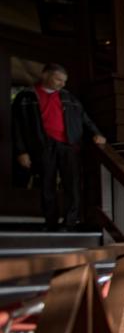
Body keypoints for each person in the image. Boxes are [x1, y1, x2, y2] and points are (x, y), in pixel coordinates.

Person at [12, 63, 106, 230]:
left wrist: (97, 133)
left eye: (64, 81)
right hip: (43, 145)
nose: (62, 84)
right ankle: (50, 223)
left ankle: (70, 222)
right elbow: (17, 127)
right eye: (58, 79)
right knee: (47, 185)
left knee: (72, 184)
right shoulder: (26, 97)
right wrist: (21, 151)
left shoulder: (69, 97)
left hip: (68, 145)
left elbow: (85, 118)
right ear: (45, 75)